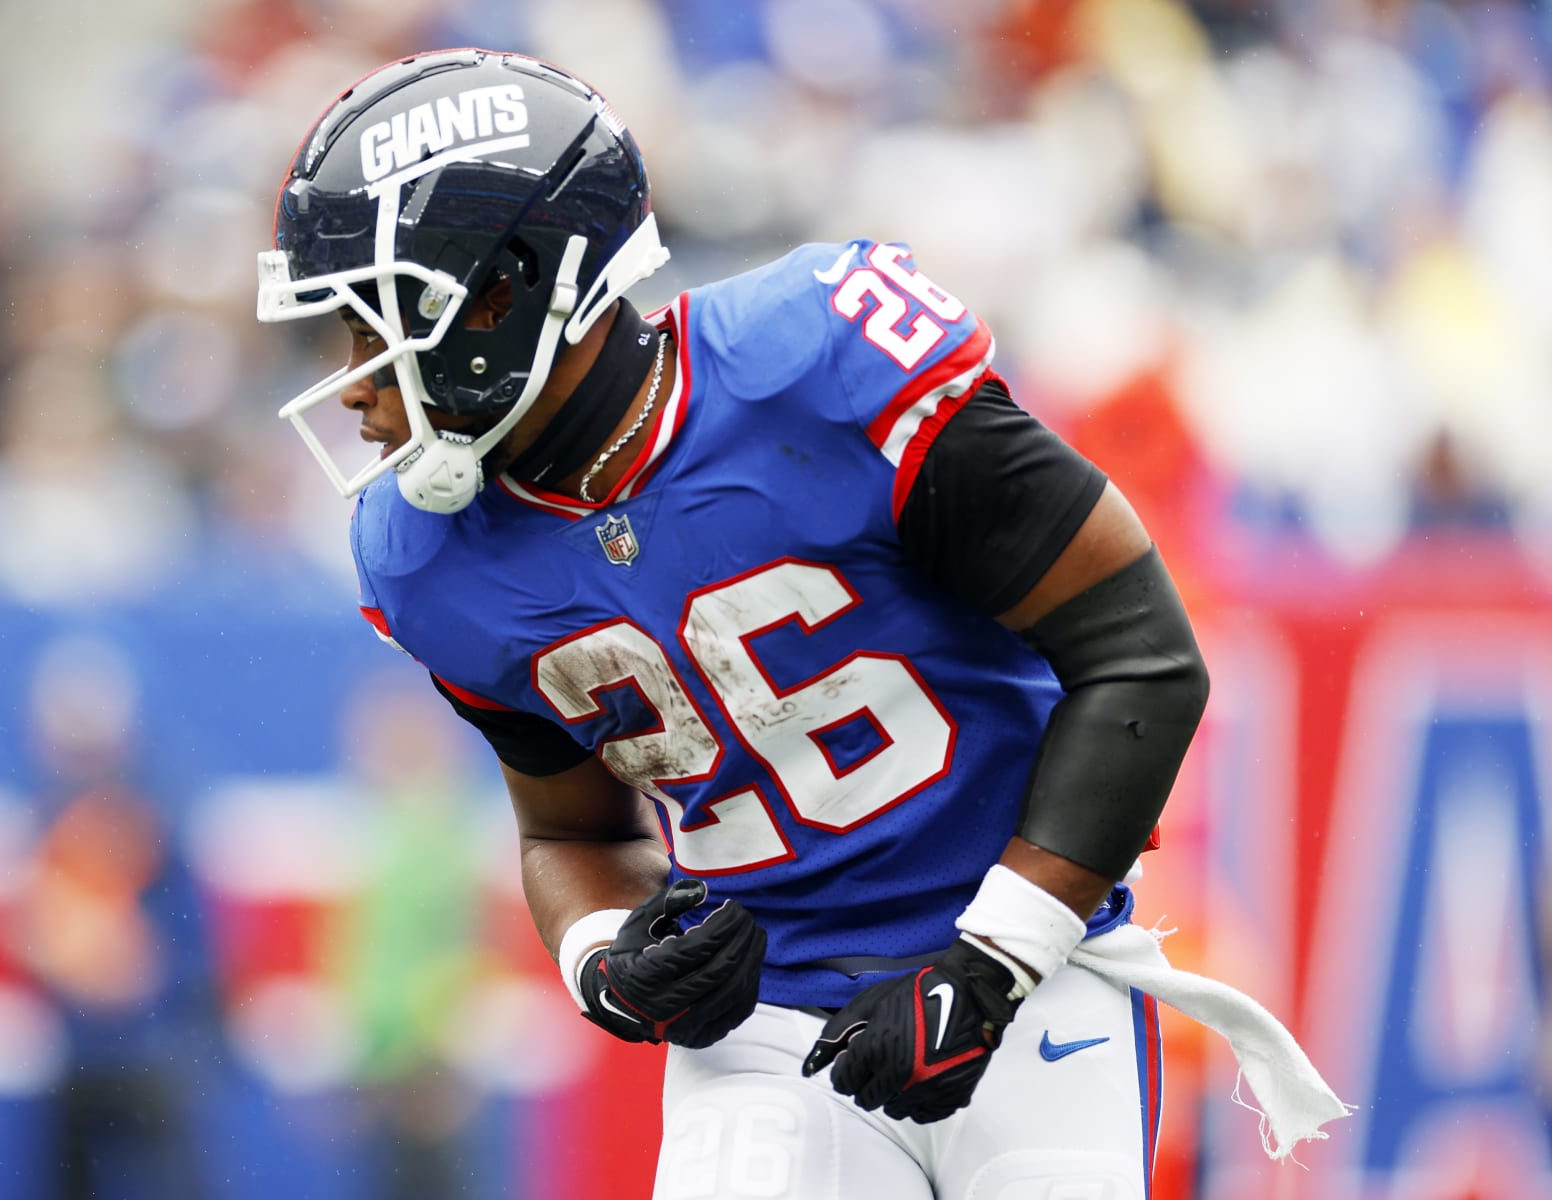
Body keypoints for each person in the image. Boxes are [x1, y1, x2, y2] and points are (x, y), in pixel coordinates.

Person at [254, 48, 1349, 1198]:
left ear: (506, 289)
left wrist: (994, 960)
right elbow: (570, 836)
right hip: (763, 1025)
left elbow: (1141, 656)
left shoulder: (819, 362)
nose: (358, 385)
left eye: (377, 326)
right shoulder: (427, 556)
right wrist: (605, 962)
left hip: (1035, 975)